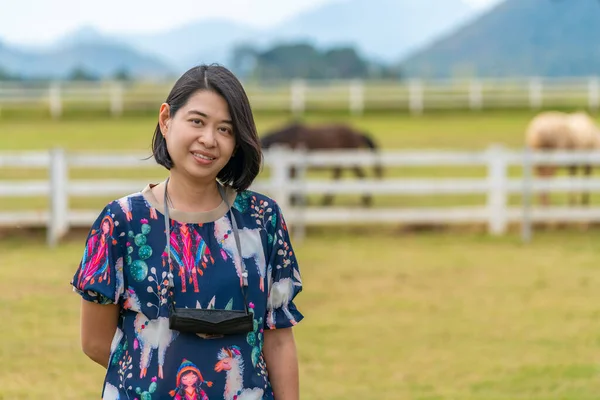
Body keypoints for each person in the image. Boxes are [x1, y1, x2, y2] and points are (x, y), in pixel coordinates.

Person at [70, 64, 304, 400]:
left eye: (225, 129)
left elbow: (279, 340)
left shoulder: (262, 219)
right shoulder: (120, 221)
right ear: (166, 120)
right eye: (197, 121)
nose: (209, 139)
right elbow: (94, 342)